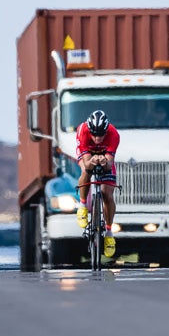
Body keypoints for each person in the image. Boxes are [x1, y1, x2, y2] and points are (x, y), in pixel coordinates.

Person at [75, 110, 120, 256]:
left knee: (106, 193)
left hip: (105, 157)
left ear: (106, 131)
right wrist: (92, 161)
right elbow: (86, 163)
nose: (97, 138)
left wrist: (104, 162)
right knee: (86, 171)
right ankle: (82, 206)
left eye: (101, 135)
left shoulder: (114, 134)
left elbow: (109, 164)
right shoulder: (82, 130)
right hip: (87, 154)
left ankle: (108, 233)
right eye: (94, 134)